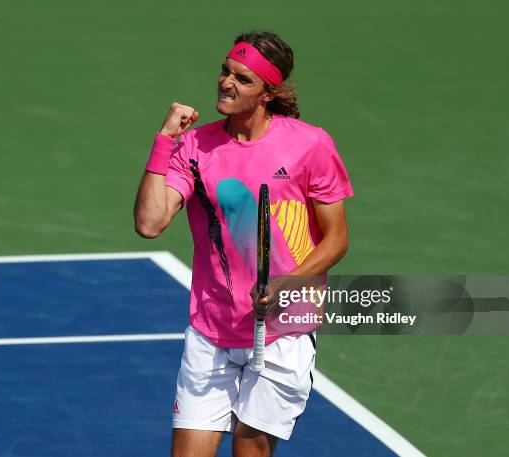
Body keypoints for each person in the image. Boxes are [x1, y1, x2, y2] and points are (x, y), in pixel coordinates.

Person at [134, 30, 353, 457]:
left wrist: (284, 284)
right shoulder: (195, 146)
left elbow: (337, 239)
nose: (226, 82)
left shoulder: (310, 145)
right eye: (225, 71)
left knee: (249, 452)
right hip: (211, 330)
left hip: (283, 332)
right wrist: (164, 142)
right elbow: (149, 223)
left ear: (268, 93)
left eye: (242, 78)